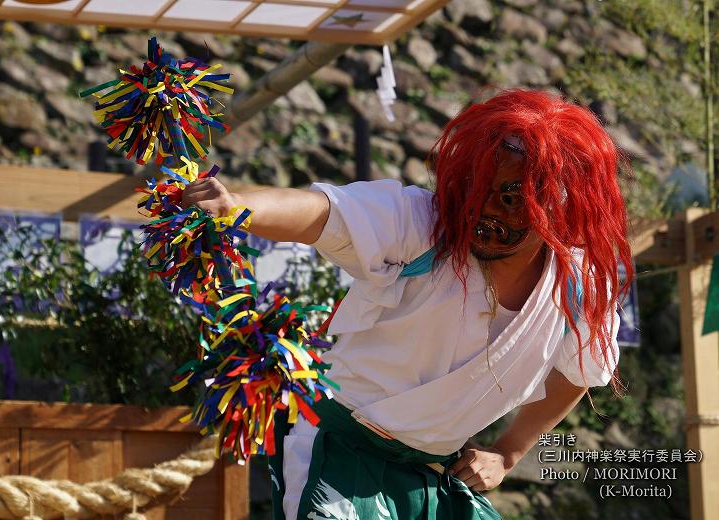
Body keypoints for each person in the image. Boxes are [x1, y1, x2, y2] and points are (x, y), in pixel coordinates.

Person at [182, 89, 633, 520]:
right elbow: (326, 213)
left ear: (560, 206)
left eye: (512, 198)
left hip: (433, 473)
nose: (487, 212)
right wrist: (239, 206)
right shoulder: (423, 223)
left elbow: (583, 370)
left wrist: (507, 451)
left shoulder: (579, 287)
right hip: (340, 447)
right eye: (478, 189)